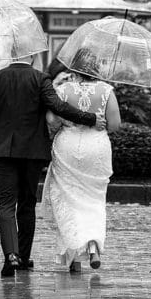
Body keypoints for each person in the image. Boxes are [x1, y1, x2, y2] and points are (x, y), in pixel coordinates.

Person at [0, 54, 105, 277]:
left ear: (11, 54)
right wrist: (90, 119)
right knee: (27, 203)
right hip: (32, 151)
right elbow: (57, 106)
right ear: (33, 56)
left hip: (3, 151)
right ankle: (23, 257)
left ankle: (11, 256)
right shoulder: (40, 79)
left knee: (6, 204)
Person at [42, 61, 122, 273]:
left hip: (67, 147)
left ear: (74, 70)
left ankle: (74, 259)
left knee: (69, 200)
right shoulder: (106, 90)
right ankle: (93, 246)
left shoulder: (63, 90)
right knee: (94, 201)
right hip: (96, 148)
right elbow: (114, 125)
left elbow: (52, 121)